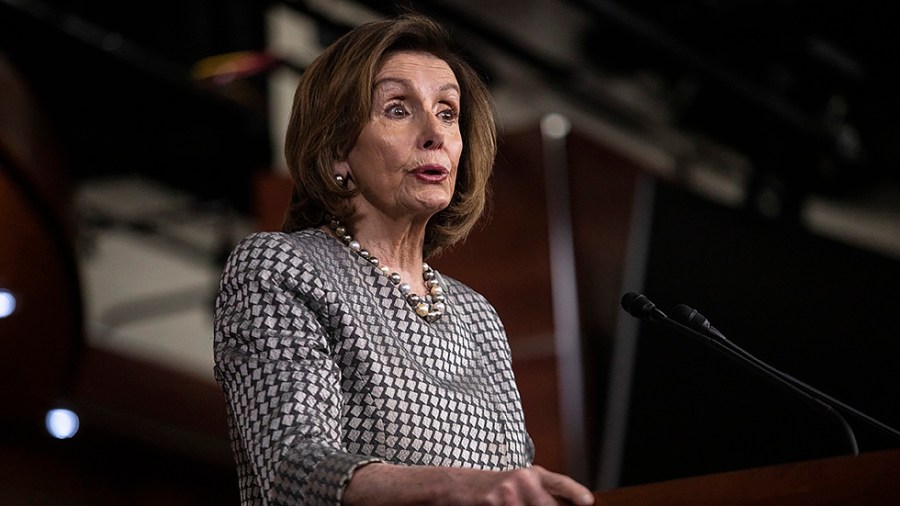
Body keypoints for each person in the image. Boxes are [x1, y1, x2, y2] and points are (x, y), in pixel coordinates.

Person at [213, 13, 596, 506]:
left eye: (447, 112)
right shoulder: (282, 267)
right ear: (336, 151)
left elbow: (510, 484)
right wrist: (451, 485)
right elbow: (294, 467)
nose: (434, 133)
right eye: (398, 109)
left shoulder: (477, 317)